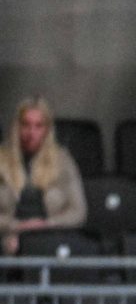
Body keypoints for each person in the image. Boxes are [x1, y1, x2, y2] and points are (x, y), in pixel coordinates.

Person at [0, 97, 85, 256]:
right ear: (16, 126)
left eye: (38, 126)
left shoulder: (63, 160)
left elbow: (78, 212)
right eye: (26, 125)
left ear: (47, 130)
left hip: (51, 235)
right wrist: (16, 226)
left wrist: (46, 224)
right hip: (8, 236)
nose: (31, 133)